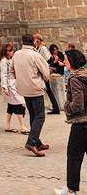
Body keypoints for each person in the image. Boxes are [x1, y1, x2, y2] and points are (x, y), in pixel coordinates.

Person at [11, 33, 50, 156]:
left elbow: (11, 70)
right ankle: (32, 142)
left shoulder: (16, 54)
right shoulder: (34, 55)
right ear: (33, 42)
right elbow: (45, 71)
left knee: (33, 114)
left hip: (24, 88)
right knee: (39, 116)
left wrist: (20, 79)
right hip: (35, 88)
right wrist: (43, 80)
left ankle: (37, 141)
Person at [54, 49, 87, 195]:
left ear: (72, 61)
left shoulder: (75, 79)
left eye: (66, 59)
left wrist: (67, 106)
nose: (64, 61)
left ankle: (71, 190)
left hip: (81, 123)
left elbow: (77, 104)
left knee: (73, 156)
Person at [0, 43, 29, 134]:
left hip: (14, 83)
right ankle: (22, 126)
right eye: (10, 50)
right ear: (6, 52)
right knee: (18, 104)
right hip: (9, 85)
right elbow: (3, 75)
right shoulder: (4, 61)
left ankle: (8, 126)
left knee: (11, 106)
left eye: (12, 50)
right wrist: (5, 87)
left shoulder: (11, 59)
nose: (12, 52)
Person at [34, 33, 60, 114]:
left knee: (47, 90)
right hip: (43, 71)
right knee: (47, 90)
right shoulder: (39, 48)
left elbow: (49, 59)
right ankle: (55, 108)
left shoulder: (43, 48)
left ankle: (55, 108)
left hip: (44, 71)